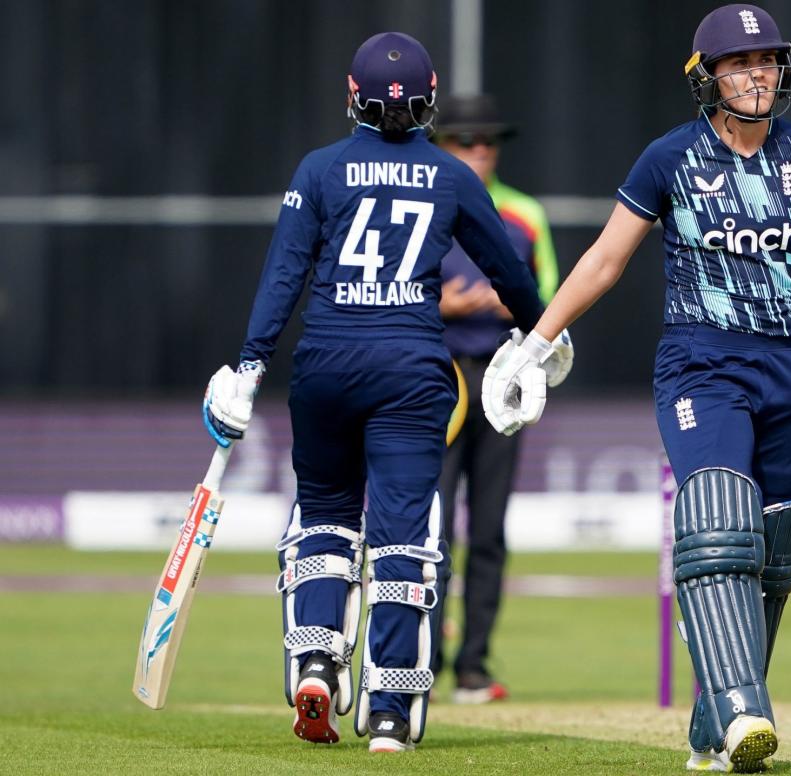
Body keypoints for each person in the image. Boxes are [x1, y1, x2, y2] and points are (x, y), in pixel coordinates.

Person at [481, 4, 791, 772]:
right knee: (718, 520)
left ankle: (713, 727)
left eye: (766, 60)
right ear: (707, 78)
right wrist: (535, 346)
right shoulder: (669, 159)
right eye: (739, 62)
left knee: (772, 552)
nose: (756, 74)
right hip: (703, 362)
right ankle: (743, 708)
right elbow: (605, 259)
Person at [200, 31, 569, 753]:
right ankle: (392, 709)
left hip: (326, 367)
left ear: (352, 94)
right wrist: (543, 341)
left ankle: (313, 660)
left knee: (326, 520)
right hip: (409, 372)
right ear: (428, 99)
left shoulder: (319, 169)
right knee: (404, 534)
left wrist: (247, 366)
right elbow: (509, 273)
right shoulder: (453, 175)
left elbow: (284, 277)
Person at [432, 93, 560, 703]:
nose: (479, 152)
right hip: (436, 377)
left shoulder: (525, 214)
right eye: (465, 141)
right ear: (440, 145)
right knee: (428, 526)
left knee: (488, 528)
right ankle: (418, 661)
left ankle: (473, 667)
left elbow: (553, 298)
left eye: (488, 142)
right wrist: (446, 307)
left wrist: (512, 304)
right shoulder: (423, 200)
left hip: (503, 377)